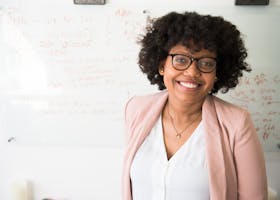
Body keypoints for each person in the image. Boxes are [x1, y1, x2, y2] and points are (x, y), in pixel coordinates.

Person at [122, 11, 267, 200]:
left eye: (206, 63)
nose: (192, 72)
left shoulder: (237, 123)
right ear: (161, 65)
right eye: (181, 59)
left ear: (217, 72)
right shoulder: (135, 110)